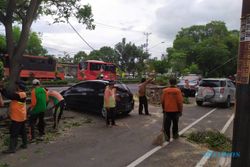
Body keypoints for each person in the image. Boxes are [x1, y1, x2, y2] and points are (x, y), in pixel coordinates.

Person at [1, 81, 28, 154]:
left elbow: (9, 95)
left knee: (14, 133)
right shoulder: (20, 94)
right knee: (23, 131)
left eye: (17, 85)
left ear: (19, 87)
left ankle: (12, 148)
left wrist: (2, 89)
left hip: (17, 118)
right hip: (21, 116)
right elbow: (11, 94)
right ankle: (25, 144)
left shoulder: (20, 94)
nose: (16, 87)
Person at [161, 77, 183, 141]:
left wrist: (163, 109)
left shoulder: (165, 90)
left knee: (167, 124)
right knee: (175, 124)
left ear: (169, 82)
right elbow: (180, 102)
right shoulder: (178, 91)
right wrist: (180, 111)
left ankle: (167, 137)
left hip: (167, 110)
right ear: (176, 83)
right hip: (176, 111)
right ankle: (175, 135)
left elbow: (162, 101)